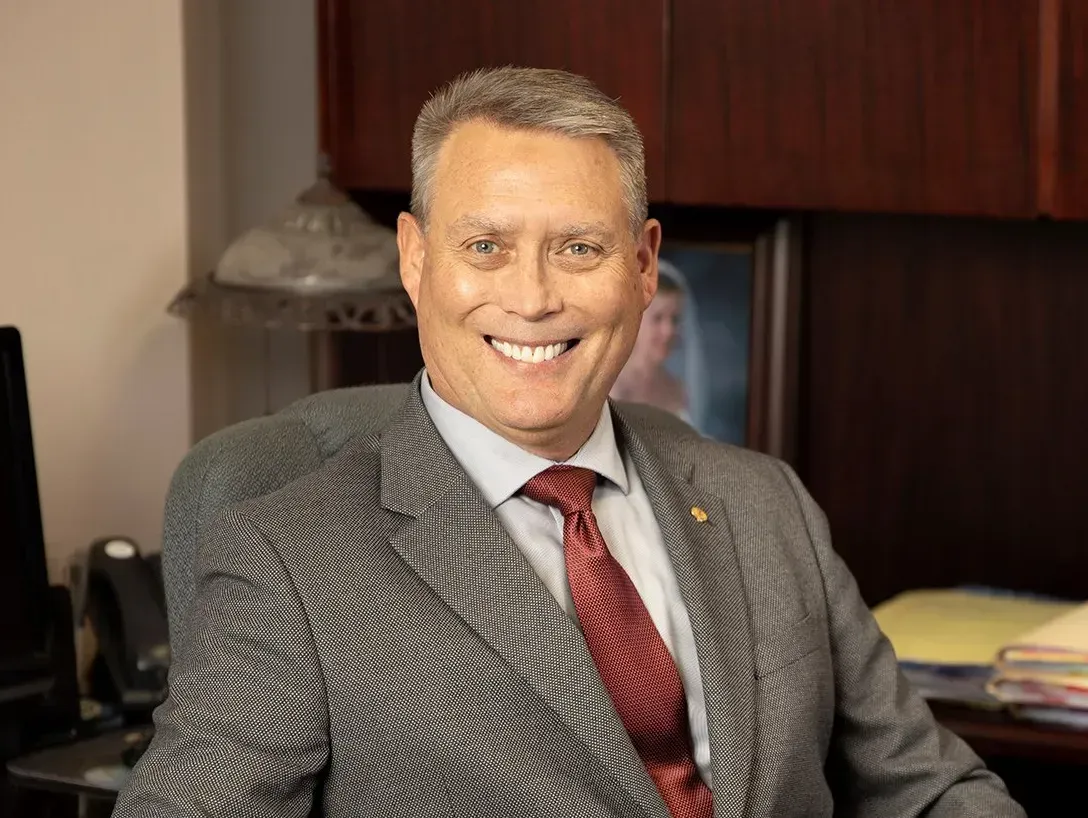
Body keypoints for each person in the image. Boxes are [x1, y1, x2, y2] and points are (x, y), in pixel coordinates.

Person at [113, 67, 1025, 817]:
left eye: (580, 248)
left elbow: (932, 787)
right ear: (415, 260)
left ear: (640, 264)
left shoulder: (762, 501)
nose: (534, 297)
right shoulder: (288, 561)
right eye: (485, 247)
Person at [610, 260, 701, 426]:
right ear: (634, 318)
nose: (668, 331)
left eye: (675, 319)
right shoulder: (609, 386)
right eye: (658, 318)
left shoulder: (678, 389)